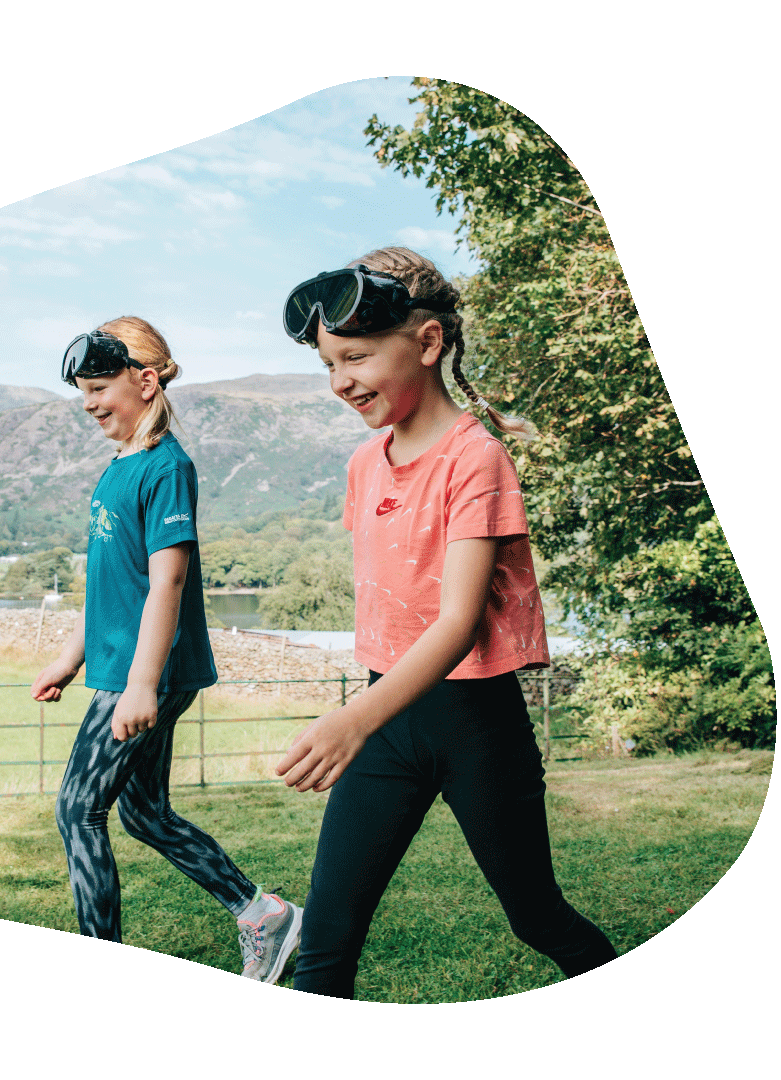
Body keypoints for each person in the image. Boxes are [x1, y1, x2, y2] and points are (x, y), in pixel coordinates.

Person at [275, 247, 618, 999]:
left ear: (427, 343)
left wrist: (350, 721)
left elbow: (458, 621)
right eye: (329, 366)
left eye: (357, 358)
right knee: (327, 940)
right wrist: (368, 717)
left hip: (475, 724)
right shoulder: (365, 465)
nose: (341, 383)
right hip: (387, 719)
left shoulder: (476, 457)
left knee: (537, 916)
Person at [31, 316, 302, 983]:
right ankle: (264, 915)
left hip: (140, 674)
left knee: (77, 809)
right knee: (144, 812)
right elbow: (109, 584)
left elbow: (167, 584)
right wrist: (71, 658)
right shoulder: (120, 465)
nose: (90, 403)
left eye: (100, 387)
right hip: (127, 667)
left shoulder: (166, 467)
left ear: (145, 381)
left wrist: (142, 684)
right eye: (83, 391)